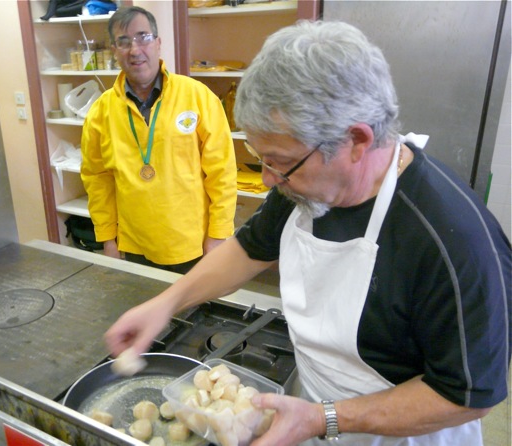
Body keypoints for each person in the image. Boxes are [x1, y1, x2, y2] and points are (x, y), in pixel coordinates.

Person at [103, 20, 511, 445]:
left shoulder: (456, 243)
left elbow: (466, 396)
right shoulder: (304, 184)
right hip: (314, 413)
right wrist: (167, 303)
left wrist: (324, 418)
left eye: (279, 162)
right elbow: (250, 248)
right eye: (262, 158)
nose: (267, 179)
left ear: (357, 140)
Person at [81, 6, 237, 274]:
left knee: (193, 302)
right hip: (133, 245)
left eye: (143, 37)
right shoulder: (100, 112)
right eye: (124, 41)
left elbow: (221, 172)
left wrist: (218, 235)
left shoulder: (197, 97)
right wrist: (107, 238)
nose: (135, 49)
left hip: (194, 243)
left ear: (158, 42)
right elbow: (98, 180)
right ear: (114, 50)